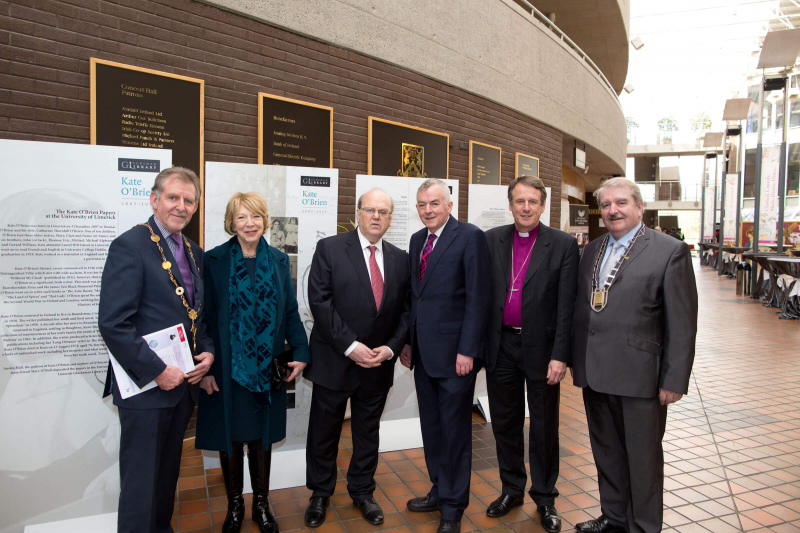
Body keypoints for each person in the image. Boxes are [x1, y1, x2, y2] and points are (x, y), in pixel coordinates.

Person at [571, 178, 697, 533]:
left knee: (642, 462)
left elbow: (683, 324)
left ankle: (643, 526)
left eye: (621, 203)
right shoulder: (592, 250)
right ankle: (614, 518)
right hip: (595, 373)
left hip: (640, 377)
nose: (613, 210)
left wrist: (674, 380)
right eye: (607, 204)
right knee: (607, 455)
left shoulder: (669, 251)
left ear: (639, 207)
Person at [98, 167, 215, 533]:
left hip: (182, 388)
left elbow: (199, 315)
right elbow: (113, 323)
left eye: (188, 200)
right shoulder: (130, 246)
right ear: (154, 199)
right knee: (140, 487)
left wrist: (208, 354)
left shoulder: (194, 252)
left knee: (165, 479)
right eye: (173, 198)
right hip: (147, 389)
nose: (181, 206)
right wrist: (157, 371)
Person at [195, 192, 310, 533]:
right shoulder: (213, 260)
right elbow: (203, 318)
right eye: (242, 217)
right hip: (225, 368)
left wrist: (301, 351)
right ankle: (234, 507)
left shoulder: (277, 259)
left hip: (268, 366)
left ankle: (261, 504)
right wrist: (205, 369)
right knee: (230, 435)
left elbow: (289, 310)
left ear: (265, 220)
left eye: (256, 217)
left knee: (262, 437)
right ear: (232, 222)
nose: (249, 224)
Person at [302, 189, 411, 527]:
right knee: (324, 431)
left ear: (391, 218)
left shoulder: (400, 258)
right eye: (370, 210)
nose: (376, 216)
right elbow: (319, 302)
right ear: (358, 213)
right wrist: (351, 346)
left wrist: (391, 348)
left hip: (378, 364)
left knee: (367, 431)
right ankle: (320, 493)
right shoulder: (331, 249)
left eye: (383, 211)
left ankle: (362, 491)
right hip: (336, 359)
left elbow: (407, 310)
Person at [483, 176, 579, 533]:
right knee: (505, 424)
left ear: (543, 206)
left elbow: (567, 306)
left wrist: (561, 355)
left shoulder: (564, 245)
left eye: (533, 202)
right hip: (502, 346)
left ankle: (544, 497)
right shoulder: (492, 240)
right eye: (519, 201)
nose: (525, 208)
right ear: (510, 204)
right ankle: (511, 490)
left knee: (543, 427)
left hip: (542, 350)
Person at [399, 178, 491, 533]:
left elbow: (477, 298)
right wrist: (408, 343)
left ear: (449, 205)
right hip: (423, 355)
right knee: (433, 429)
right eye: (422, 204)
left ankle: (453, 507)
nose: (427, 210)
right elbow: (414, 299)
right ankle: (440, 489)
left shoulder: (470, 237)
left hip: (456, 358)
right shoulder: (416, 240)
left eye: (434, 203)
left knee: (454, 433)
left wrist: (468, 349)